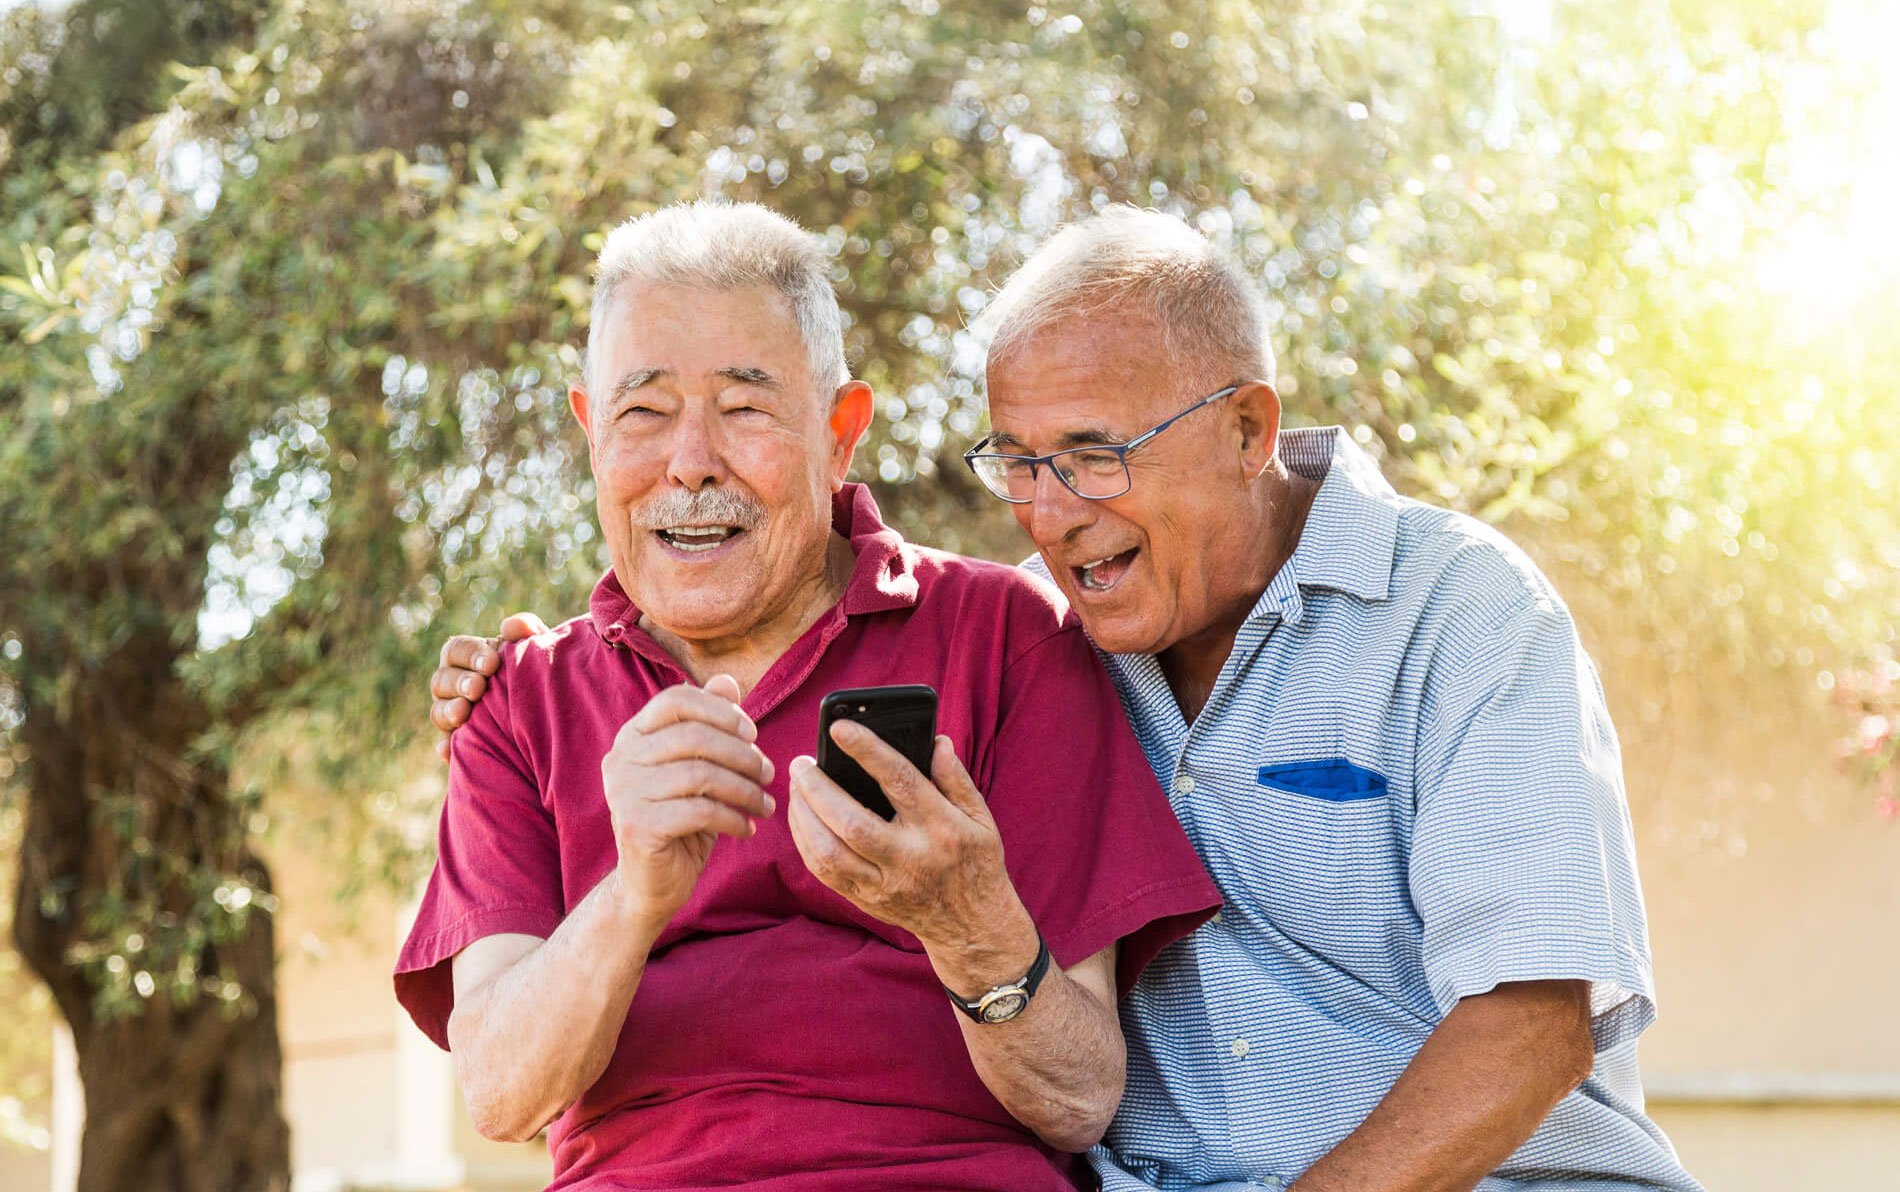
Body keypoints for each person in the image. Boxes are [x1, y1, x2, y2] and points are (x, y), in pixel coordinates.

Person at [434, 207, 1701, 1192]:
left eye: (1095, 455)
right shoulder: (1065, 624)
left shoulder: (1450, 611)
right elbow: (496, 1091)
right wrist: (582, 793)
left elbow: (1537, 1020)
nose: (1051, 511)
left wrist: (969, 918)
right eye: (1020, 465)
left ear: (1250, 427)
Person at [396, 200, 1220, 1192]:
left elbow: (1078, 1098)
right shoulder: (521, 701)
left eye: (744, 409)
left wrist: (965, 922)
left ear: (840, 434)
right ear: (590, 431)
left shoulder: (1004, 638)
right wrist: (635, 894)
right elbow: (499, 1097)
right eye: (643, 412)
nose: (690, 461)